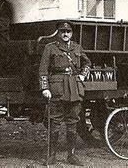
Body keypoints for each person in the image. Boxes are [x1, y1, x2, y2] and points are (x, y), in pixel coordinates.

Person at [39, 21, 91, 166]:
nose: (65, 34)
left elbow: (87, 63)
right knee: (54, 122)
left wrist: (83, 75)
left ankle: (71, 156)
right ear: (58, 33)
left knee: (73, 121)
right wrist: (45, 88)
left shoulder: (77, 47)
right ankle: (51, 156)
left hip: (74, 88)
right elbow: (43, 70)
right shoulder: (50, 48)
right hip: (57, 89)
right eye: (62, 31)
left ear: (72, 33)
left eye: (68, 32)